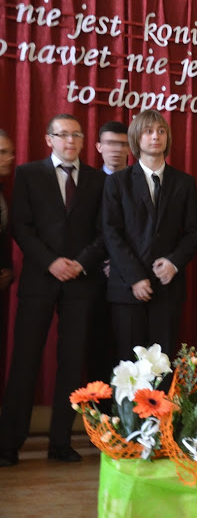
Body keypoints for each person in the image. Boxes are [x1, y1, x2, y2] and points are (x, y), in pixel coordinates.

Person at [0, 114, 105, 466]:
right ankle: (9, 444)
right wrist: (51, 262)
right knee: (25, 360)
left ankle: (61, 442)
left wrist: (80, 263)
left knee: (72, 363)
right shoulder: (29, 174)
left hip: (81, 281)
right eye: (62, 135)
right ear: (49, 139)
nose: (70, 141)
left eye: (76, 135)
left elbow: (104, 231)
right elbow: (21, 227)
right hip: (40, 279)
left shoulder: (97, 179)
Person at [102, 110, 197, 361]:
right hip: (127, 288)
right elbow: (111, 233)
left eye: (161, 131)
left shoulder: (184, 182)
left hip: (168, 288)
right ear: (136, 138)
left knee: (163, 364)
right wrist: (135, 277)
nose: (156, 136)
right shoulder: (118, 182)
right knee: (128, 366)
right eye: (148, 131)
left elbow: (193, 233)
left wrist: (174, 263)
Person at [88, 122, 129, 391]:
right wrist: (101, 261)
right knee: (97, 345)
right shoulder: (88, 182)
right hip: (93, 276)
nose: (116, 149)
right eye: (110, 143)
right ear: (99, 147)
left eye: (122, 144)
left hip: (131, 277)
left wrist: (120, 263)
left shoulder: (138, 180)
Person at [0, 130, 15, 292]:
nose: (10, 158)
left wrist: (7, 269)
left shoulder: (3, 192)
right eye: (2, 152)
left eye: (11, 153)